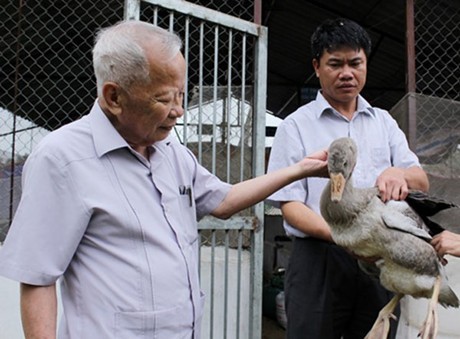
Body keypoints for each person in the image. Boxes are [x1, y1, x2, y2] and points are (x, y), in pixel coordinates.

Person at [0, 20, 329, 338]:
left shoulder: (170, 150)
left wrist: (299, 169)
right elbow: (38, 278)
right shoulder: (63, 158)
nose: (179, 111)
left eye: (182, 95)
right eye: (164, 98)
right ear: (114, 97)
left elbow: (224, 201)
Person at [266, 18, 429, 339]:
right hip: (318, 258)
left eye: (355, 63)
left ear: (366, 64)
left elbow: (420, 181)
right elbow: (290, 207)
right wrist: (343, 237)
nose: (347, 73)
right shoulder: (296, 126)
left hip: (378, 257)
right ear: (317, 66)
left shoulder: (383, 122)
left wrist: (399, 172)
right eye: (335, 64)